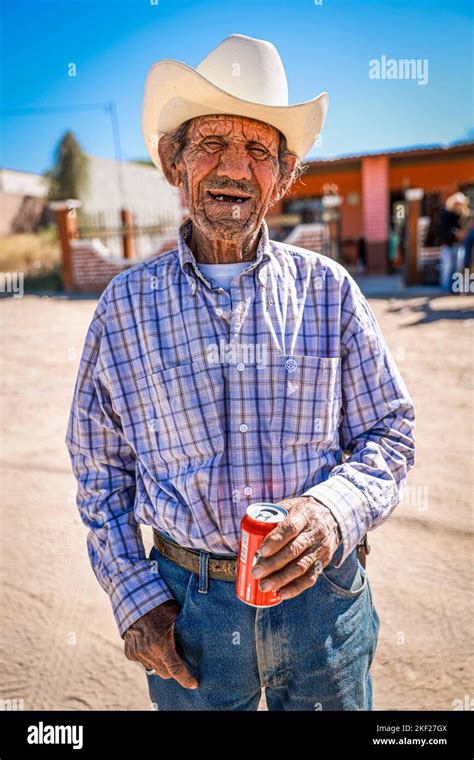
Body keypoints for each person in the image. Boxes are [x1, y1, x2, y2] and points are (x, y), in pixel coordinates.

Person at [66, 34, 416, 711]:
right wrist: (134, 595)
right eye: (210, 145)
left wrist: (330, 511)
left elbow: (390, 434)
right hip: (189, 607)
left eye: (257, 151)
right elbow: (98, 469)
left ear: (283, 178)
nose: (232, 167)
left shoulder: (329, 290)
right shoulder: (124, 307)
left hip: (323, 601)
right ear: (174, 164)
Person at [439, 192, 469, 291]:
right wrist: (453, 232)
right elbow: (443, 230)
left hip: (458, 244)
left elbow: (465, 229)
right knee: (447, 267)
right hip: (448, 244)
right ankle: (445, 289)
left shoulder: (463, 216)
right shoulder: (446, 214)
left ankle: (455, 288)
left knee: (457, 267)